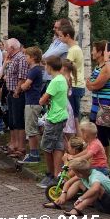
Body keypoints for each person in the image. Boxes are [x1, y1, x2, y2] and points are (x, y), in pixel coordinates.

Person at [37, 56, 69, 188]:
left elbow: (42, 100)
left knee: (46, 146)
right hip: (61, 115)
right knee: (57, 145)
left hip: (55, 117)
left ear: (50, 66)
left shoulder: (55, 81)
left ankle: (51, 174)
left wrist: (45, 100)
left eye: (45, 66)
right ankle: (57, 174)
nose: (45, 68)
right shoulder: (62, 79)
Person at [44, 158, 110, 216]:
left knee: (96, 189)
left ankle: (77, 209)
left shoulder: (95, 176)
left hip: (108, 205)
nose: (73, 173)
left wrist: (81, 198)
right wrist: (63, 194)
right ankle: (58, 202)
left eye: (74, 171)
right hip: (102, 202)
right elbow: (68, 183)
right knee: (78, 183)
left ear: (79, 173)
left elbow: (95, 189)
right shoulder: (84, 174)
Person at [17, 46, 44, 164]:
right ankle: (34, 152)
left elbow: (26, 85)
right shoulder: (36, 69)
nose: (25, 58)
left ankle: (34, 154)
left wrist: (22, 86)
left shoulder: (34, 70)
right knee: (31, 127)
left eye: (27, 56)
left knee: (31, 129)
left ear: (33, 57)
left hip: (32, 102)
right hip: (31, 101)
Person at [58, 24, 85, 135]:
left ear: (67, 36)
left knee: (74, 116)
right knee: (75, 115)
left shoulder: (73, 50)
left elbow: (66, 68)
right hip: (77, 85)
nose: (59, 38)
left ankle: (78, 141)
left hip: (74, 85)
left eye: (60, 36)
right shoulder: (76, 48)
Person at [86, 40, 110, 156]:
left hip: (105, 108)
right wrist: (91, 84)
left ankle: (105, 166)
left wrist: (91, 84)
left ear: (100, 52)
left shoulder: (107, 66)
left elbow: (95, 84)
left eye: (94, 50)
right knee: (98, 137)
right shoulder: (98, 66)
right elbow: (90, 85)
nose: (92, 52)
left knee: (103, 138)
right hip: (96, 107)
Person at [5, 38, 29, 158]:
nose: (5, 49)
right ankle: (14, 143)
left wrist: (17, 91)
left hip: (17, 93)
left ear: (12, 48)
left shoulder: (21, 58)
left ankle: (21, 147)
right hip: (11, 91)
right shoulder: (13, 58)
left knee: (19, 120)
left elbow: (22, 77)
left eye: (6, 47)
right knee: (12, 120)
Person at [61, 59, 77, 141]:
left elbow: (65, 94)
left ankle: (68, 148)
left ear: (64, 68)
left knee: (64, 130)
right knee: (67, 130)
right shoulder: (69, 77)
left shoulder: (64, 79)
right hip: (67, 105)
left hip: (64, 105)